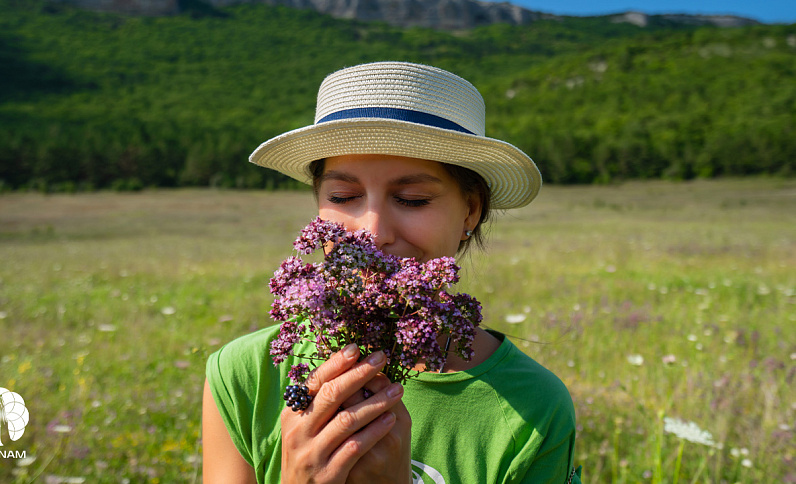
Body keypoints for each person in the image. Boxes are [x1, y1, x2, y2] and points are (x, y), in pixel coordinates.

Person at [203, 61, 582, 483]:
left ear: (470, 211)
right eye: (344, 195)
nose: (372, 232)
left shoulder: (531, 407)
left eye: (414, 199)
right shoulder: (246, 373)